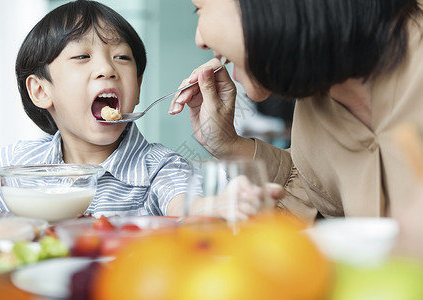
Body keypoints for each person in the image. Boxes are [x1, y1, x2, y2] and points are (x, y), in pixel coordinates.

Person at [169, 0, 423, 223]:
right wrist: (228, 143)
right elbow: (318, 194)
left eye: (199, 9)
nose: (199, 40)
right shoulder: (315, 101)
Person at [0, 0, 190, 218]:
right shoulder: (18, 163)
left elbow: (192, 210)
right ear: (40, 91)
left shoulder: (161, 167)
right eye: (82, 56)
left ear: (138, 86)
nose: (107, 69)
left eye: (121, 57)